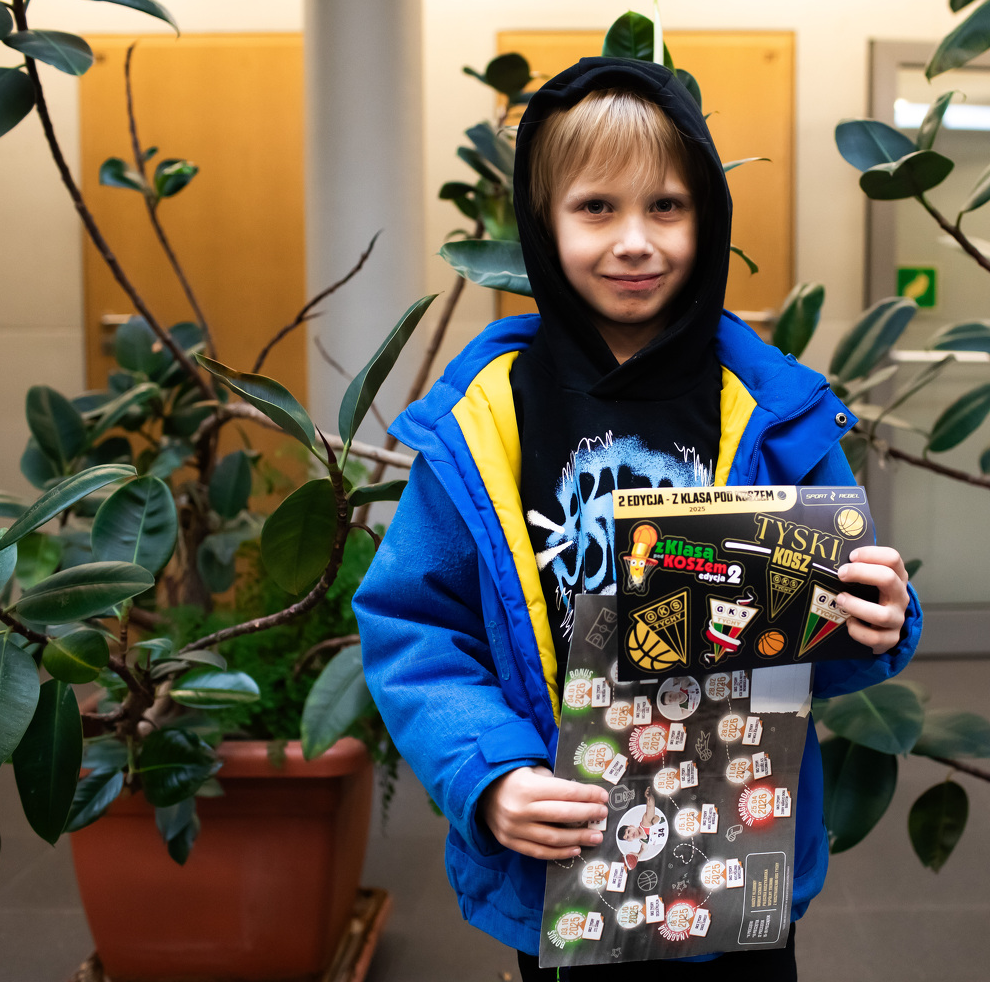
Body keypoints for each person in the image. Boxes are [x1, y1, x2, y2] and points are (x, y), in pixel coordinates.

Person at [353, 56, 921, 981]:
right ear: (543, 221)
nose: (634, 242)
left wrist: (875, 616)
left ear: (709, 216)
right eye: (595, 207)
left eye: (666, 206)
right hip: (568, 855)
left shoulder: (771, 407)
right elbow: (414, 627)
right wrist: (489, 775)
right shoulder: (485, 417)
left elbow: (829, 628)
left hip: (734, 854)